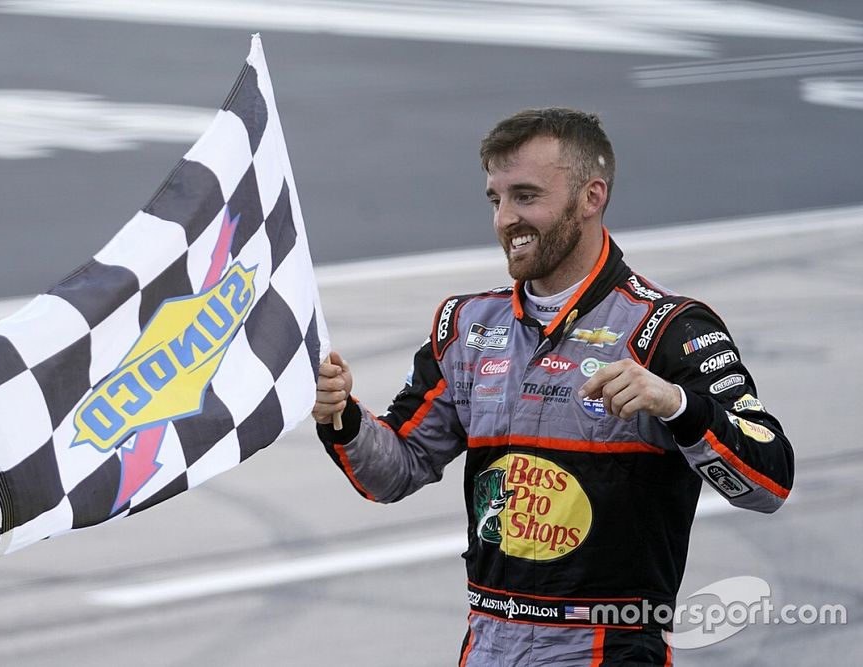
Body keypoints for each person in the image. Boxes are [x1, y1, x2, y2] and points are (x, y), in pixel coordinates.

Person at [312, 107, 794, 666]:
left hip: (609, 644)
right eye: (496, 199)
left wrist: (677, 406)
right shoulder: (466, 328)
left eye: (526, 195)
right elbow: (393, 471)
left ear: (591, 197)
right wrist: (341, 415)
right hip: (488, 642)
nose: (505, 220)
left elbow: (769, 483)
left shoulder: (669, 329)